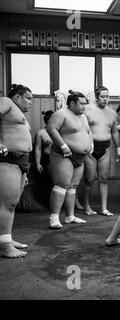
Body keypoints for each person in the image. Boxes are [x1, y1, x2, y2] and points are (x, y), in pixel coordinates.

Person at [46, 91, 93, 229]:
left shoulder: (83, 116)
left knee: (73, 186)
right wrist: (63, 146)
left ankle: (69, 216)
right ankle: (54, 217)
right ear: (72, 103)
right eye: (82, 104)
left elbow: (88, 132)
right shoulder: (61, 114)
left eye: (85, 104)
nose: (84, 107)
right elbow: (51, 129)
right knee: (62, 185)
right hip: (63, 154)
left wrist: (91, 144)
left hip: (81, 156)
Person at [0, 84, 33, 258]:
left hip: (22, 162)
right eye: (28, 98)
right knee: (7, 204)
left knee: (12, 204)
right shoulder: (6, 101)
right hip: (7, 160)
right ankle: (4, 246)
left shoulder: (19, 114)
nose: (30, 102)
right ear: (17, 96)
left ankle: (6, 238)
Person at [83, 86, 120, 216]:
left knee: (104, 179)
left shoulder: (111, 112)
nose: (105, 99)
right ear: (96, 97)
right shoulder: (87, 109)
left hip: (105, 148)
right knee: (89, 179)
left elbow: (115, 132)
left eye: (107, 96)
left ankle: (104, 208)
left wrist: (118, 148)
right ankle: (87, 206)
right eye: (102, 97)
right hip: (90, 148)